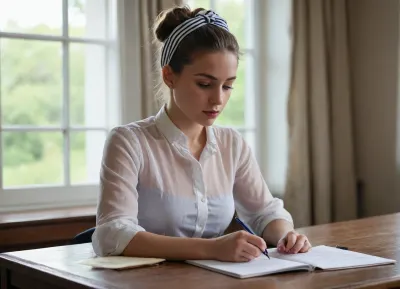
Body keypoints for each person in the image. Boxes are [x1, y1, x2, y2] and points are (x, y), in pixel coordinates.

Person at [92, 5, 311, 263]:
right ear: (169, 76)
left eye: (228, 86)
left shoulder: (232, 145)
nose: (218, 99)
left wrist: (287, 235)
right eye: (205, 84)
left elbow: (264, 212)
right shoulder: (129, 142)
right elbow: (112, 233)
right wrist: (211, 249)